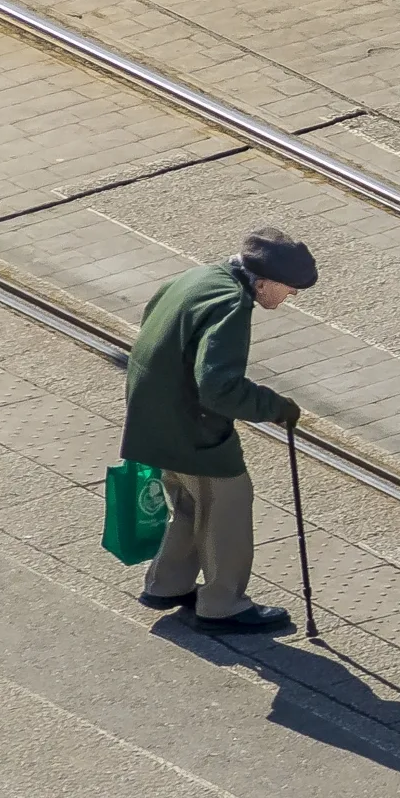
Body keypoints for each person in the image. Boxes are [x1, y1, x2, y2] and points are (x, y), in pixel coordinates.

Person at [121, 227, 318, 632]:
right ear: (263, 282)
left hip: (151, 419)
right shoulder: (231, 305)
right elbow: (218, 388)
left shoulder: (198, 279)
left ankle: (167, 584)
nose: (291, 297)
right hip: (193, 430)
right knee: (227, 506)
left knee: (193, 505)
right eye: (290, 289)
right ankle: (223, 604)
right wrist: (275, 407)